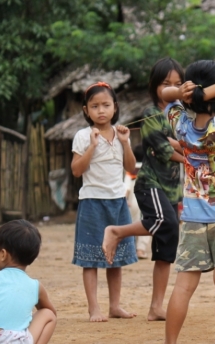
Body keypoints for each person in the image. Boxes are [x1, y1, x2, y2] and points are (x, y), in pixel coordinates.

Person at [147, 60, 215, 344]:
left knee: (183, 285)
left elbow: (164, 94)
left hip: (193, 216)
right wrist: (204, 94)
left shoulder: (180, 122)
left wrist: (185, 93)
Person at [102, 58, 185, 321]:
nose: (172, 88)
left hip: (172, 189)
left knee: (166, 247)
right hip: (150, 184)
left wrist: (180, 144)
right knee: (162, 220)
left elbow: (186, 140)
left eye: (177, 84)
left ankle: (156, 307)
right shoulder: (151, 113)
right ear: (154, 86)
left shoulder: (180, 116)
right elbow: (162, 150)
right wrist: (191, 156)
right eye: (165, 83)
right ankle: (117, 232)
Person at [71, 81, 138, 322]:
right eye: (95, 106)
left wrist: (124, 142)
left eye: (106, 105)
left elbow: (131, 168)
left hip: (118, 201)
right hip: (92, 202)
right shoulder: (82, 135)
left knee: (115, 258)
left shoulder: (122, 134)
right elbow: (76, 171)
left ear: (115, 107)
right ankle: (94, 308)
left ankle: (115, 306)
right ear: (85, 110)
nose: (101, 110)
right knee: (90, 259)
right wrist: (92, 145)